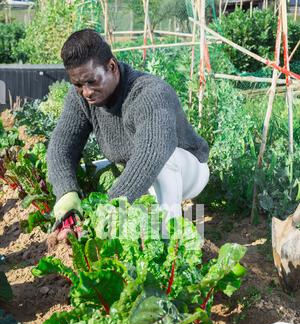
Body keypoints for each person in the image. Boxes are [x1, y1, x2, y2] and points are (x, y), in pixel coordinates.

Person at [47, 28, 210, 237]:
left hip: (187, 171)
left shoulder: (150, 93)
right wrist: (67, 194)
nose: (86, 91)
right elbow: (61, 147)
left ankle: (169, 239)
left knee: (164, 163)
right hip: (136, 168)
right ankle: (103, 230)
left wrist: (110, 208)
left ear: (112, 67)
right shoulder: (81, 97)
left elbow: (151, 154)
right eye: (78, 84)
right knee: (89, 172)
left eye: (91, 81)